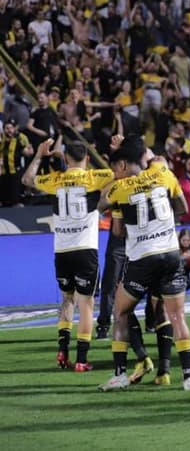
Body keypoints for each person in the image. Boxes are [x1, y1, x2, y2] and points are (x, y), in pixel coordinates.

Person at [97, 136, 190, 391]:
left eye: (114, 168)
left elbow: (110, 220)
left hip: (142, 259)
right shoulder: (162, 171)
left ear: (121, 166)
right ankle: (188, 377)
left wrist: (118, 206)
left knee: (120, 312)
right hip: (170, 255)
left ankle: (121, 374)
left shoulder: (120, 188)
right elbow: (182, 207)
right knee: (177, 316)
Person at [22, 139, 114, 371]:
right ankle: (82, 360)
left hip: (61, 251)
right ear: (87, 159)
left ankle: (63, 352)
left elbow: (26, 180)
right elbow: (120, 175)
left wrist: (40, 155)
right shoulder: (94, 177)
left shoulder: (56, 179)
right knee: (86, 304)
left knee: (67, 299)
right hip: (85, 250)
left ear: (65, 159)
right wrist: (113, 151)